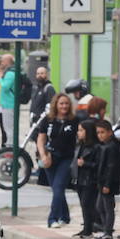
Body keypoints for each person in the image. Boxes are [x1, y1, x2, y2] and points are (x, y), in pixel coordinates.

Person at [36, 93, 78, 228]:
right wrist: (43, 155)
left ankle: (52, 218)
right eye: (61, 103)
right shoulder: (48, 120)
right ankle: (65, 216)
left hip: (66, 158)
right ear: (56, 105)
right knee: (56, 189)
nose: (64, 106)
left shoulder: (74, 120)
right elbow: (41, 139)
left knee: (59, 187)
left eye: (66, 103)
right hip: (50, 157)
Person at [93, 119, 120, 239]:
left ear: (110, 132)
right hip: (103, 181)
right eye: (98, 132)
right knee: (100, 206)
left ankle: (108, 231)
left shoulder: (111, 147)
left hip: (108, 182)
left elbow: (111, 167)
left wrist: (107, 184)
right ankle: (106, 228)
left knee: (107, 207)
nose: (100, 135)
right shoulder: (106, 145)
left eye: (102, 132)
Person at [71, 120, 102, 238]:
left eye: (81, 130)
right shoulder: (80, 145)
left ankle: (89, 229)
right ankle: (86, 228)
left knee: (87, 204)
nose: (78, 133)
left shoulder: (96, 147)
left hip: (90, 179)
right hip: (80, 179)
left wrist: (85, 164)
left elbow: (98, 164)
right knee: (84, 205)